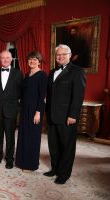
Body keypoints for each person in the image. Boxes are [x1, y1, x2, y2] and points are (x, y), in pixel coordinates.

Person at [44, 44, 86, 184]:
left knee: (67, 146)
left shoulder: (77, 71)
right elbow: (50, 95)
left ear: (69, 55)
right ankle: (55, 168)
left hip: (67, 116)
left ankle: (64, 174)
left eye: (63, 54)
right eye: (58, 55)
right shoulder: (51, 72)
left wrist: (73, 115)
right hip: (51, 115)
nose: (60, 57)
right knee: (53, 145)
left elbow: (78, 96)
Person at [15, 51, 47, 173]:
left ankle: (31, 164)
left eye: (35, 59)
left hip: (35, 110)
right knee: (23, 135)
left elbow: (42, 96)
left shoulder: (42, 75)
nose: (32, 61)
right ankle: (21, 161)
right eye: (30, 59)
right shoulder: (27, 75)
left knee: (32, 137)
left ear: (39, 61)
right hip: (24, 110)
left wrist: (38, 112)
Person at [0, 50, 23, 169]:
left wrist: (13, 102)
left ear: (11, 59)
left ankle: (10, 159)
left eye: (7, 57)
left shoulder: (18, 73)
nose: (5, 59)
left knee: (10, 136)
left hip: (11, 110)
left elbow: (20, 92)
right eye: (2, 57)